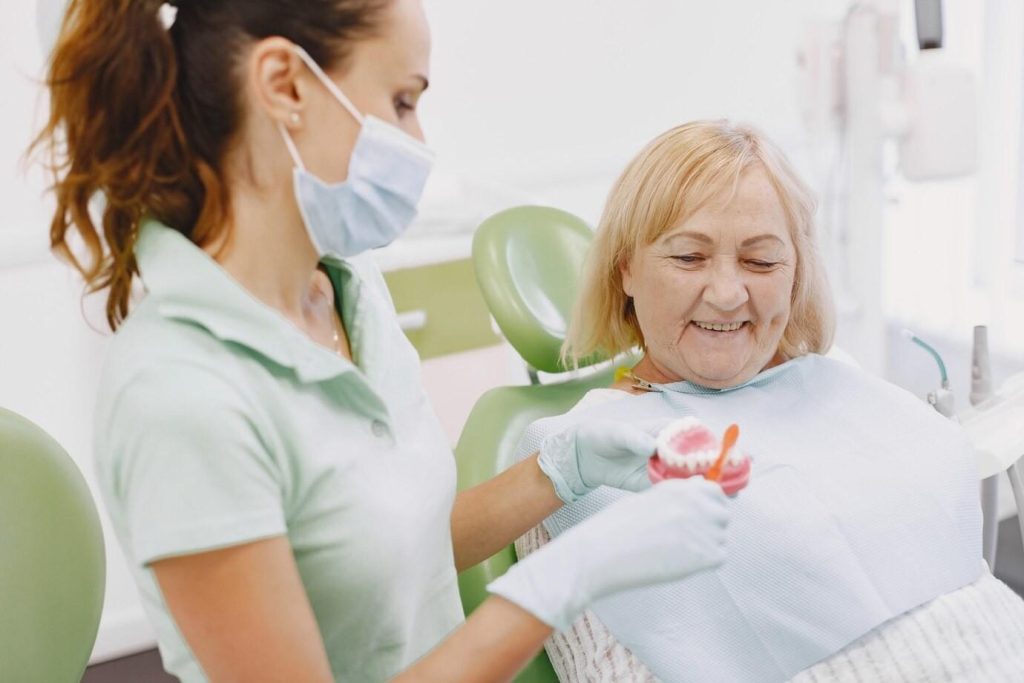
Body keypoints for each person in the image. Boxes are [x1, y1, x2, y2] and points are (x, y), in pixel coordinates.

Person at [31, 2, 736, 681]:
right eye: (402, 102)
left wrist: (567, 464)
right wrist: (568, 577)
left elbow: (395, 550)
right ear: (285, 85)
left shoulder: (346, 292)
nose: (420, 143)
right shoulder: (181, 393)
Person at [512, 120, 1024, 682]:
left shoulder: (838, 379)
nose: (729, 294)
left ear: (796, 272)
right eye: (688, 258)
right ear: (626, 268)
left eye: (760, 262)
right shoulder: (575, 462)